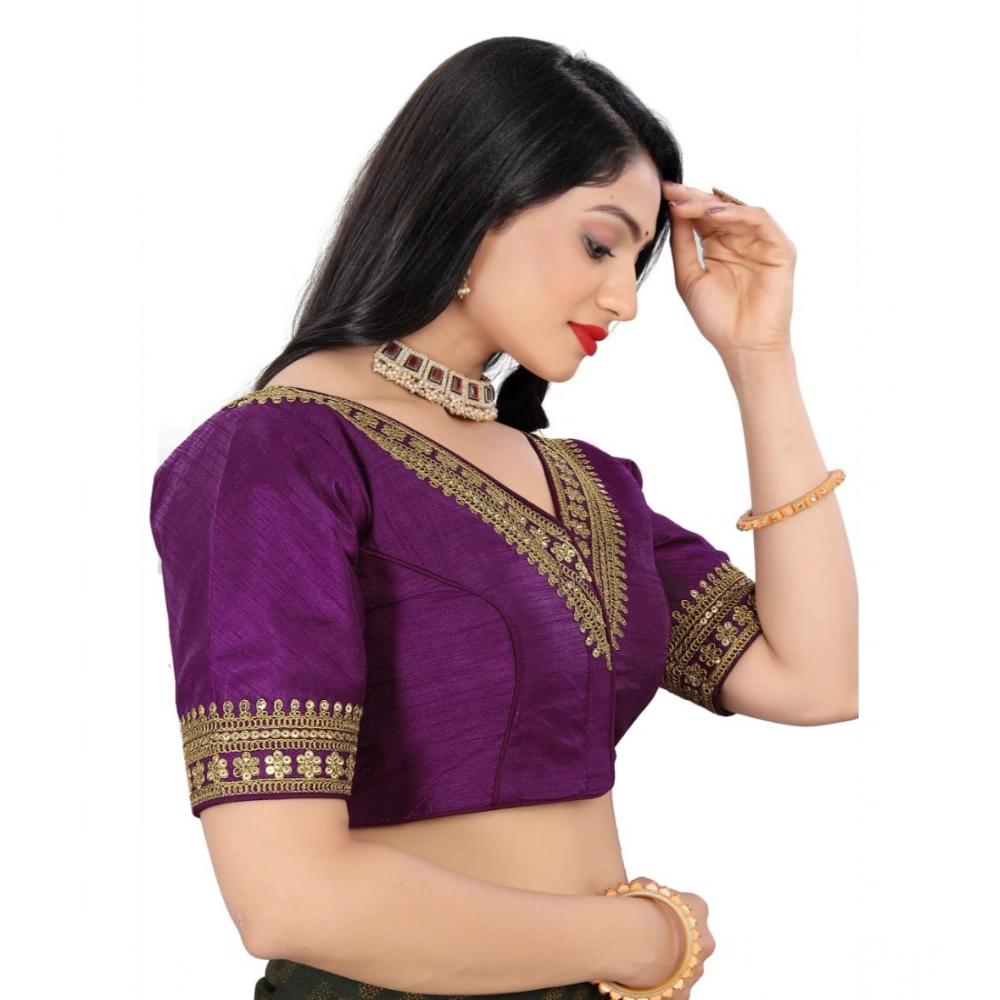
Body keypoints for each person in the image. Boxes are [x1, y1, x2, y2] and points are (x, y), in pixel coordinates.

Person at [149, 35, 858, 1000]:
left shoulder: (586, 485)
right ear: (473, 200)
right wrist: (645, 941)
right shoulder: (278, 455)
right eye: (600, 244)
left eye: (638, 262)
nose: (625, 300)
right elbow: (288, 898)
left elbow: (814, 679)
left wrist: (760, 355)